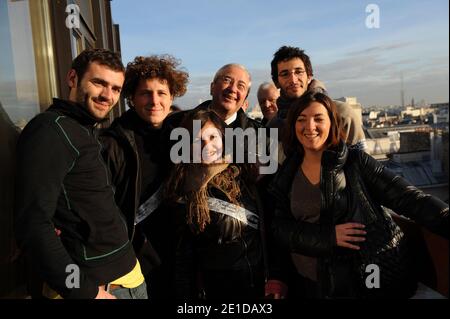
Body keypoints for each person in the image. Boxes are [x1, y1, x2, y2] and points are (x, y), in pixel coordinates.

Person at [267, 91, 449, 299]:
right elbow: (279, 228)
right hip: (308, 284)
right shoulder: (287, 172)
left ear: (332, 124)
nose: (309, 127)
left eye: (318, 119)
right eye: (301, 120)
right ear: (293, 126)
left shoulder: (354, 162)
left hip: (359, 283)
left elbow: (409, 200)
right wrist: (328, 237)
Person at [14, 49, 147, 299]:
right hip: (103, 289)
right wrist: (86, 292)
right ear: (73, 78)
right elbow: (32, 224)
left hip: (126, 278)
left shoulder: (82, 129)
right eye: (99, 83)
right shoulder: (50, 130)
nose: (108, 95)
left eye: (116, 89)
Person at [100, 54, 189, 299]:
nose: (154, 101)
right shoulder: (111, 143)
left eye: (162, 93)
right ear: (131, 98)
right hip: (132, 261)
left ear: (172, 97)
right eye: (145, 93)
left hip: (177, 254)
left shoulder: (183, 136)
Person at [165, 109, 266, 299]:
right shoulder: (184, 188)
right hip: (218, 290)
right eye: (198, 140)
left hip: (260, 283)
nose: (207, 145)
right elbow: (183, 261)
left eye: (213, 137)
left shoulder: (245, 173)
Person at [269, 46, 366, 155]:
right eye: (285, 74)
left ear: (309, 76)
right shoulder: (273, 126)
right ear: (276, 82)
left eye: (299, 72)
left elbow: (363, 165)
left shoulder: (342, 113)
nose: (293, 80)